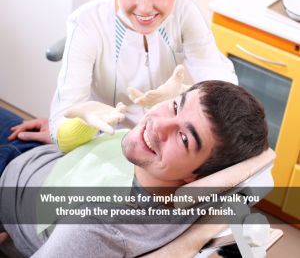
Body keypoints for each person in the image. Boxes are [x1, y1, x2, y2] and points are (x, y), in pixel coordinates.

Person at [0, 81, 268, 258]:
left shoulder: (97, 226)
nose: (159, 123)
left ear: (199, 177)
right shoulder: (205, 188)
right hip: (47, 152)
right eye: (176, 105)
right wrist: (63, 137)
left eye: (184, 138)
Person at [49, 0, 238, 153]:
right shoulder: (88, 23)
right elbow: (60, 132)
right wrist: (83, 125)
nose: (144, 8)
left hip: (166, 141)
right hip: (109, 142)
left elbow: (226, 91)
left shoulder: (183, 9)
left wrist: (184, 92)